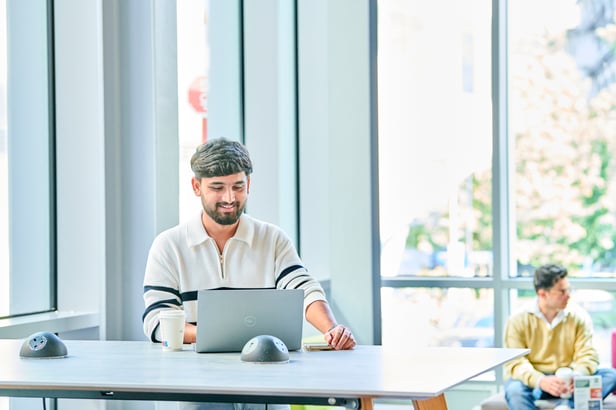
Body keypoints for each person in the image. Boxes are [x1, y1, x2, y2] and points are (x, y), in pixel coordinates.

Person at [142, 137, 356, 351]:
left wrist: (331, 329)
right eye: (217, 187)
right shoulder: (168, 246)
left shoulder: (272, 238)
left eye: (237, 187)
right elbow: (156, 322)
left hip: (265, 368)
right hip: (192, 374)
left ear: (249, 185)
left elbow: (305, 289)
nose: (229, 198)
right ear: (196, 187)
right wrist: (220, 335)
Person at [504, 264, 616, 409]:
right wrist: (540, 380)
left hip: (569, 381)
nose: (568, 295)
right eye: (562, 291)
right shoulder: (518, 319)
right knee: (514, 389)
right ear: (542, 294)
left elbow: (588, 354)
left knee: (611, 375)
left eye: (568, 289)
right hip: (537, 381)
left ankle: (565, 406)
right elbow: (515, 362)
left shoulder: (578, 316)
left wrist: (578, 375)